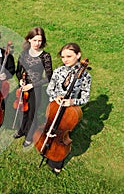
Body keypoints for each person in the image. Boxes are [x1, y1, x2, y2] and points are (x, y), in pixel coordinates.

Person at [45, 42, 91, 174]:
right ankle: (46, 149)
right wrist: (56, 96)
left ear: (78, 55)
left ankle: (57, 161)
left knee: (62, 136)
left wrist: (72, 101)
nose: (65, 60)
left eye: (69, 56)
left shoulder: (85, 76)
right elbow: (49, 89)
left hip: (69, 113)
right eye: (63, 57)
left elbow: (85, 98)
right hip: (54, 107)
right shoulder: (58, 71)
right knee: (48, 129)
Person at [14, 27, 53, 147]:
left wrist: (32, 85)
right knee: (22, 111)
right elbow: (18, 71)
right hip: (23, 87)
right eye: (35, 40)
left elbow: (49, 77)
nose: (37, 43)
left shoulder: (45, 56)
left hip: (35, 89)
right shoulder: (23, 54)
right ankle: (21, 130)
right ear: (29, 39)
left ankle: (29, 136)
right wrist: (21, 80)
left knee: (32, 113)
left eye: (40, 41)